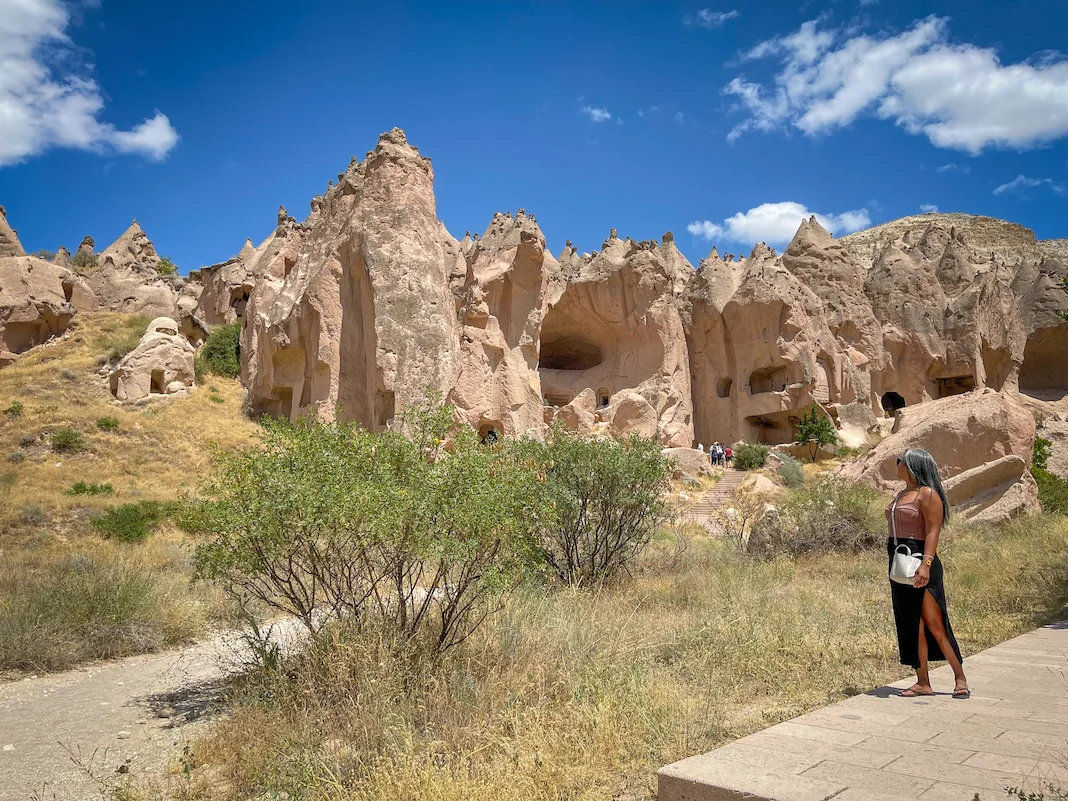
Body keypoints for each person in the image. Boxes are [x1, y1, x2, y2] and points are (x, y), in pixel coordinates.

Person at [887, 448, 968, 699]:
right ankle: (923, 682)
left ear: (912, 465)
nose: (897, 464)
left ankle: (960, 678)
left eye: (900, 461)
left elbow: (933, 532)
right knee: (914, 622)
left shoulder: (927, 494)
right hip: (899, 559)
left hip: (920, 558)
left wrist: (926, 564)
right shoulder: (902, 493)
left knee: (935, 622)